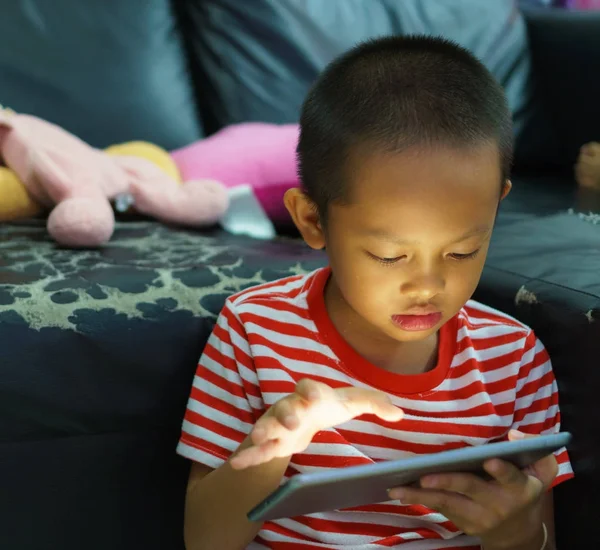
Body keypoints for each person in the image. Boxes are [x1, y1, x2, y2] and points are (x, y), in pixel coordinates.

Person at [177, 35, 573, 550]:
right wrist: (273, 448)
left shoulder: (514, 358)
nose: (428, 286)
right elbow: (205, 541)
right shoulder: (255, 330)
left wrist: (517, 533)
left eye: (461, 252)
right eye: (389, 256)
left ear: (497, 205)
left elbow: (539, 538)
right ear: (312, 219)